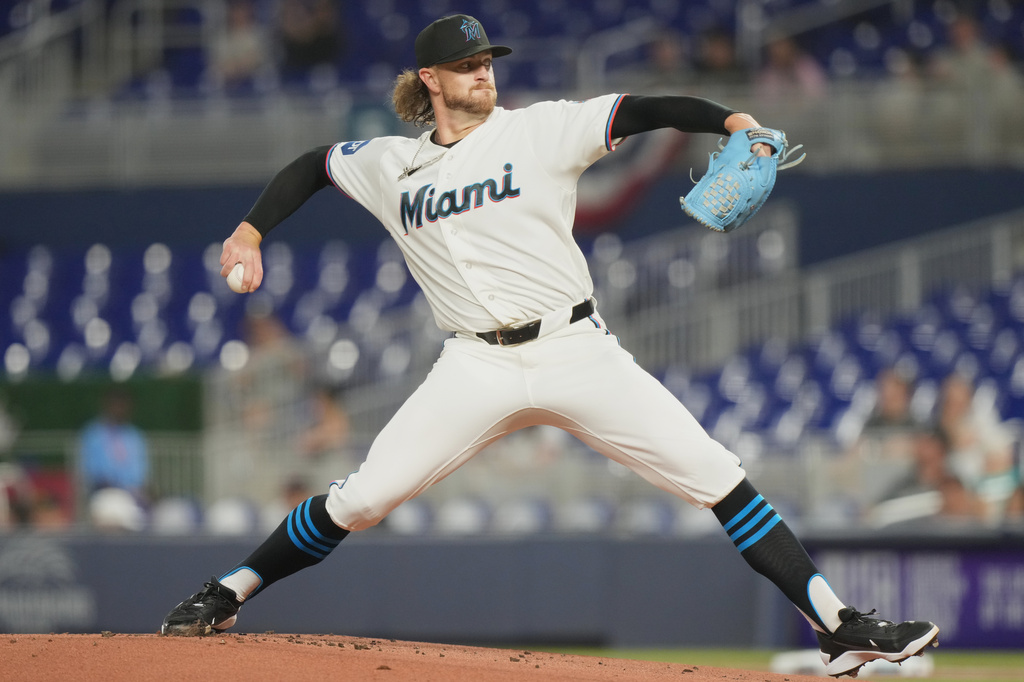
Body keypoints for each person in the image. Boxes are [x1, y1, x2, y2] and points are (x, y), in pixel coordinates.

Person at [160, 14, 939, 677]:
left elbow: (642, 108)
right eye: (466, 66)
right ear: (430, 78)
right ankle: (228, 591)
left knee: (716, 473)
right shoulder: (391, 165)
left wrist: (730, 120)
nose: (483, 74)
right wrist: (251, 227)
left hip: (576, 348)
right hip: (474, 363)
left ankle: (837, 626)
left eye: (487, 62)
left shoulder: (540, 128)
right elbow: (312, 166)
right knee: (362, 497)